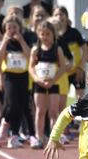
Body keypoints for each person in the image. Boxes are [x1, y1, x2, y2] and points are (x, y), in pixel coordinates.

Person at [29, 19, 68, 149]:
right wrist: (37, 79)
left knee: (53, 112)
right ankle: (39, 138)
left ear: (53, 35)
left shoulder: (58, 50)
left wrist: (53, 81)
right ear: (39, 35)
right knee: (40, 111)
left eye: (48, 34)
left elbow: (62, 67)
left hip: (53, 84)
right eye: (42, 34)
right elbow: (31, 67)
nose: (45, 37)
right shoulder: (36, 50)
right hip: (39, 84)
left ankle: (54, 138)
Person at [0, 16, 31, 149]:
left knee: (20, 106)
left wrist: (21, 40)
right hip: (9, 76)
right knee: (12, 103)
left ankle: (14, 136)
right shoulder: (4, 42)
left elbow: (30, 55)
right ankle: (5, 123)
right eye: (9, 28)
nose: (12, 30)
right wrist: (4, 42)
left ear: (20, 28)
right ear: (5, 30)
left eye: (14, 27)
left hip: (23, 76)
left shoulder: (24, 40)